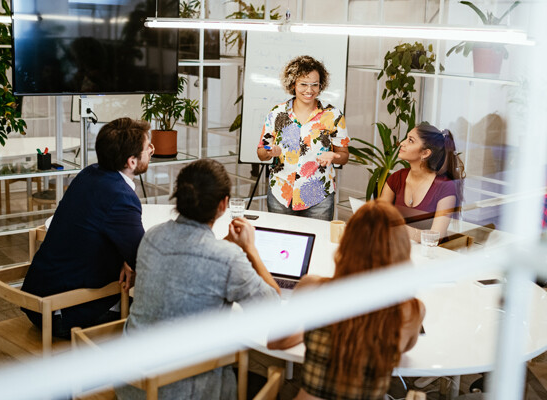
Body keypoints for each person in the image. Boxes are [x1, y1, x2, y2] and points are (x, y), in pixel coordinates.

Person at [117, 159, 280, 400]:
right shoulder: (226, 258)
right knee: (271, 381)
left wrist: (227, 244)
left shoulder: (153, 236)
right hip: (183, 390)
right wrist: (250, 249)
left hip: (131, 384)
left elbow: (189, 261)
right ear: (223, 205)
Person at [268, 201, 425, 400]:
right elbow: (403, 350)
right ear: (401, 250)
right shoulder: (411, 310)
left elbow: (274, 342)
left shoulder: (312, 288)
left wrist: (314, 327)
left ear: (347, 242)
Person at [21, 117, 152, 338]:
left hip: (38, 300)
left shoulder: (89, 173)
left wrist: (126, 259)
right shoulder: (121, 197)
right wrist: (130, 259)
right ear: (131, 162)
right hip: (62, 312)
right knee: (155, 318)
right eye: (148, 147)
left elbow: (101, 233)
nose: (151, 150)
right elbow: (145, 259)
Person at [257, 55, 350, 221]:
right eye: (304, 84)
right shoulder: (277, 113)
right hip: (281, 192)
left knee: (317, 242)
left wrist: (335, 156)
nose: (309, 90)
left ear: (321, 86)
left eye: (315, 84)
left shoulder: (333, 115)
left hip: (318, 194)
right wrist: (269, 151)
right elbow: (261, 152)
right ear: (293, 84)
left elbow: (344, 155)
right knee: (281, 243)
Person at [379, 123, 464, 239]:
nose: (402, 143)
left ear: (425, 153)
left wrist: (399, 229)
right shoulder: (396, 178)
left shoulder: (445, 187)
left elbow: (436, 236)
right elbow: (379, 217)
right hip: (396, 249)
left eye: (410, 140)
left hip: (428, 254)